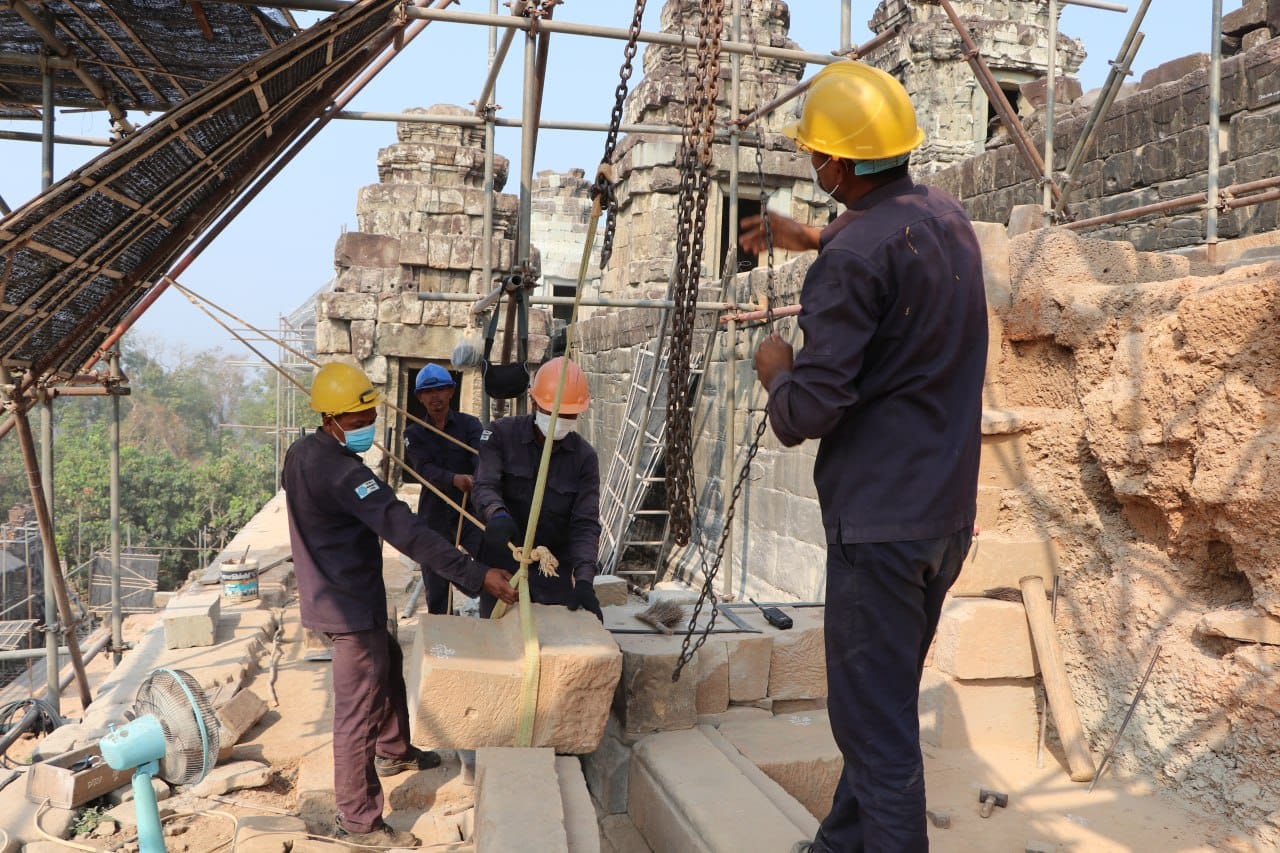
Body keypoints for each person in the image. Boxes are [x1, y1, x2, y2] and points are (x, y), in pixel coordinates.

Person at [744, 62, 988, 853]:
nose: (813, 165)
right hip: (943, 517)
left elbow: (807, 413)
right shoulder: (947, 218)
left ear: (838, 163)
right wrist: (815, 235)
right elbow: (890, 253)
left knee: (877, 736)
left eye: (817, 154)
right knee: (877, 705)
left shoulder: (849, 262)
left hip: (878, 528)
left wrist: (776, 370)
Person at [282, 362, 517, 849]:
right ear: (332, 418)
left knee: (387, 662)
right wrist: (476, 575)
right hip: (348, 606)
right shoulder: (347, 474)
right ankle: (359, 820)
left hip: (334, 592)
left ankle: (394, 750)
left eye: (371, 414)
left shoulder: (301, 453)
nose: (369, 424)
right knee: (356, 712)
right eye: (360, 418)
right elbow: (405, 530)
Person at [472, 357, 603, 620]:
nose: (561, 420)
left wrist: (584, 579)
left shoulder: (584, 458)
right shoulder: (501, 436)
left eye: (569, 414)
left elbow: (585, 522)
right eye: (555, 412)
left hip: (551, 569)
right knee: (500, 635)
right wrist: (496, 514)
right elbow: (485, 484)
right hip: (504, 568)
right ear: (534, 403)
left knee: (552, 638)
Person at [404, 363, 484, 615]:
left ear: (451, 391)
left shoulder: (470, 425)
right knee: (436, 580)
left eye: (440, 389)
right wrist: (453, 479)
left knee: (491, 560)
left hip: (469, 510)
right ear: (420, 397)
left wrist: (475, 479)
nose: (434, 396)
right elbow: (423, 469)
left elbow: (481, 458)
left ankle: (493, 619)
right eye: (428, 392)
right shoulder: (414, 433)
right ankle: (442, 628)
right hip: (434, 514)